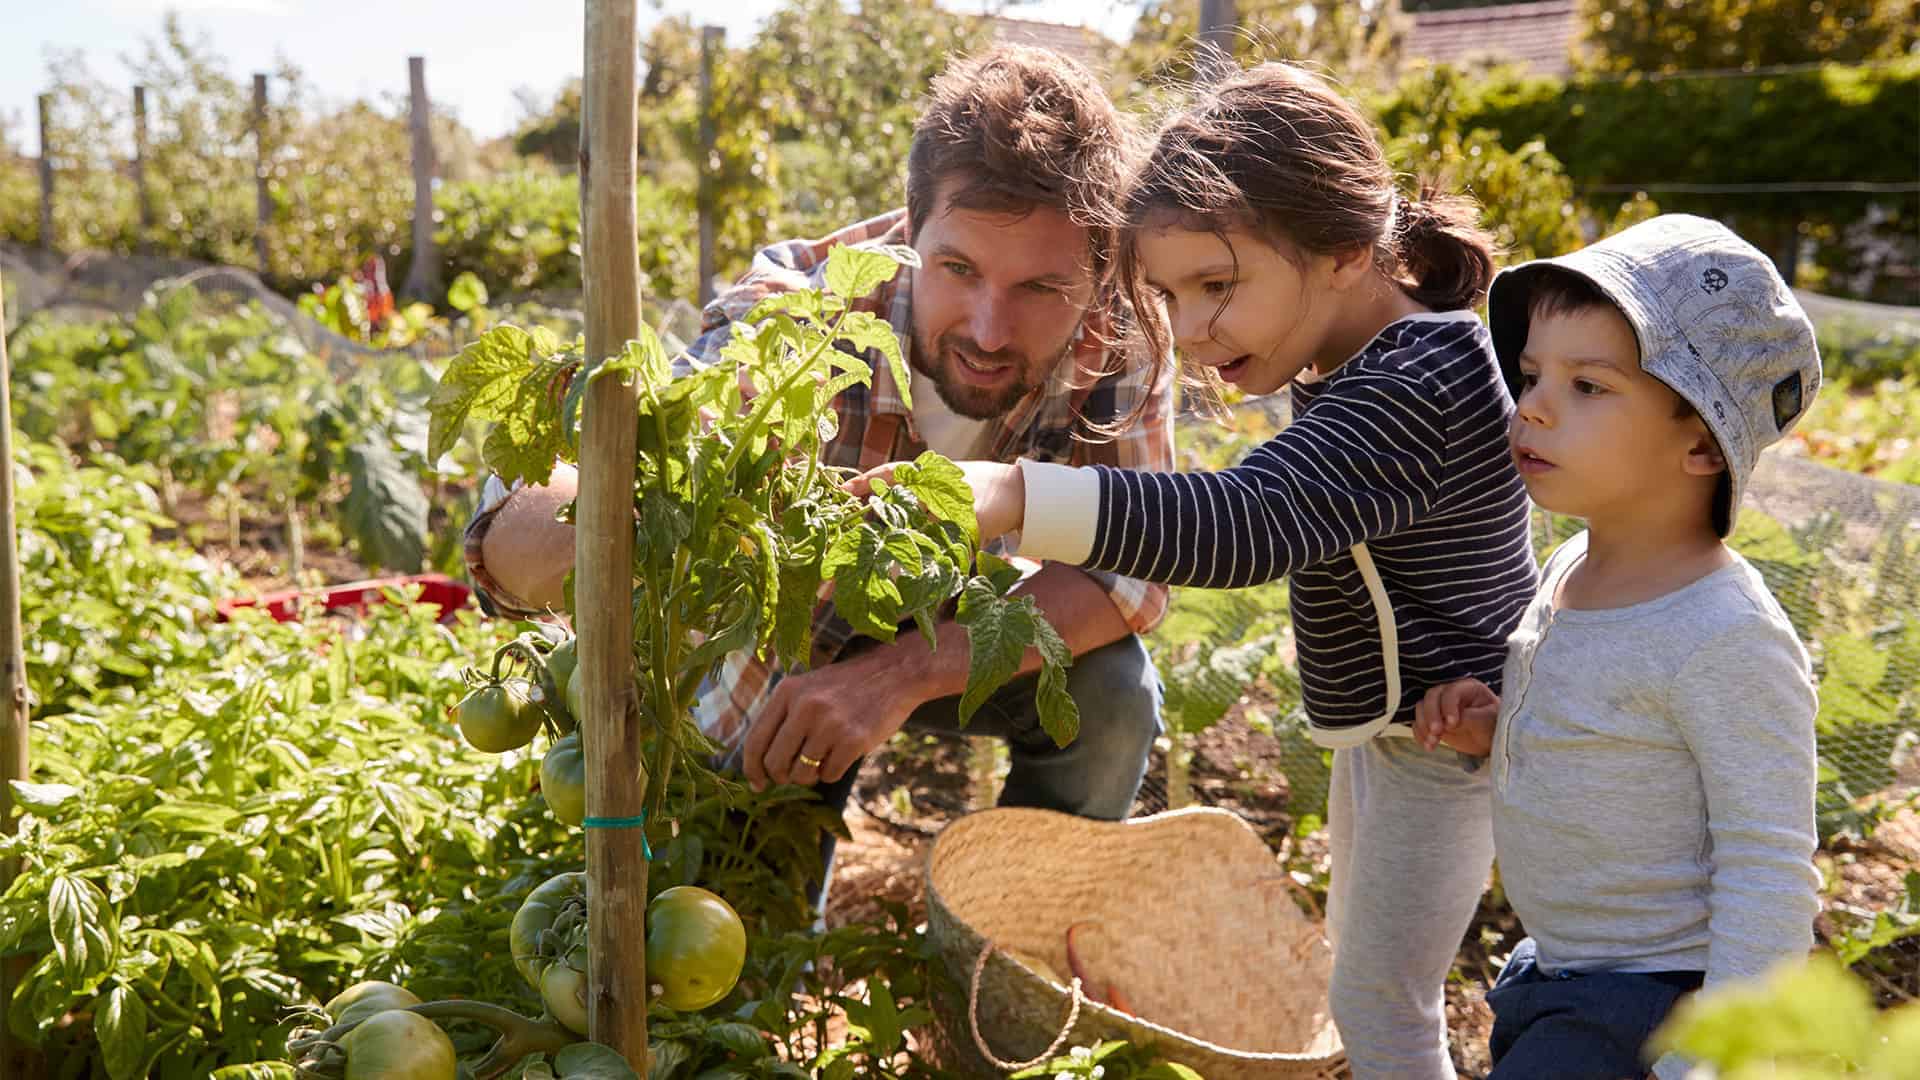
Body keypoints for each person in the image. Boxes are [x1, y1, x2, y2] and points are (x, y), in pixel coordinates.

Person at [864, 63, 1540, 1078]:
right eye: (1170, 294)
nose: (1189, 330)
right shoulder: (1376, 362)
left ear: (1348, 251)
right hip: (1410, 733)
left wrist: (1010, 497)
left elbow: (1246, 520)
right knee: (1373, 981)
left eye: (1217, 287)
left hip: (1448, 746)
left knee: (1380, 1002)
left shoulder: (1421, 381)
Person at [463, 45, 1175, 907]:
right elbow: (530, 533)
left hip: (944, 617)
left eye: (1040, 288)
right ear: (910, 228)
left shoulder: (1121, 334)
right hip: (787, 655)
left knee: (1111, 695)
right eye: (959, 270)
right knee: (739, 947)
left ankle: (1009, 952)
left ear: (1098, 269)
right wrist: (595, 519)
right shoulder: (802, 314)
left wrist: (897, 675)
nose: (989, 328)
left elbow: (1125, 572)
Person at [1410, 214, 1823, 1080]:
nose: (1533, 406)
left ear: (1703, 441)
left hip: (1654, 1001)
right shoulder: (1570, 563)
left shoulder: (1724, 637)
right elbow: (1608, 735)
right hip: (1556, 970)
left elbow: (1768, 866)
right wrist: (1505, 728)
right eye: (1531, 375)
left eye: (1588, 386)